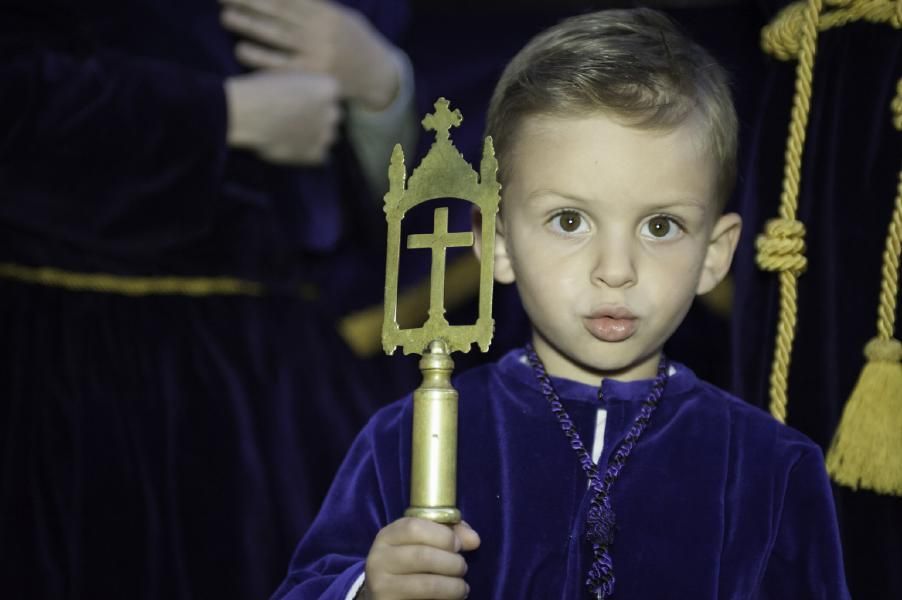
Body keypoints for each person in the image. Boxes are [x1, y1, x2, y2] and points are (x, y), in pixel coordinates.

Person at [271, 8, 850, 599]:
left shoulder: (770, 468)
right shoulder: (408, 435)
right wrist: (368, 589)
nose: (616, 270)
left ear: (714, 254)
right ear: (496, 243)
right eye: (569, 221)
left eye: (661, 226)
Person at [0, 0, 417, 598]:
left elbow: (410, 200)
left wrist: (381, 85)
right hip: (85, 369)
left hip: (283, 375)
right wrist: (223, 116)